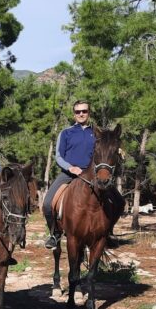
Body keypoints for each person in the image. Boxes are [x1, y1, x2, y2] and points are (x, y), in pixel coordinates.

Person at [41, 100, 95, 249]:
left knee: (116, 201)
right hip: (69, 174)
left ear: (89, 113)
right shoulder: (66, 133)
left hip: (91, 176)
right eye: (78, 112)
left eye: (84, 111)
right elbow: (58, 156)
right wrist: (70, 168)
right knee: (47, 204)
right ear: (74, 114)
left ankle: (106, 233)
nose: (81, 114)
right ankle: (55, 233)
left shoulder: (96, 133)